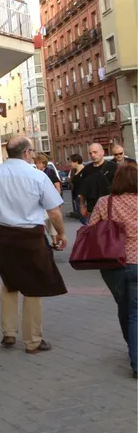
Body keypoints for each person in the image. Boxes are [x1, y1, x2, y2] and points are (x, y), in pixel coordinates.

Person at [0, 136, 68, 354]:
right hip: (31, 238)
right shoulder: (37, 176)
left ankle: (8, 332)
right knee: (33, 286)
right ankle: (33, 340)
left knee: (9, 282)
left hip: (3, 236)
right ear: (26, 153)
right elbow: (54, 211)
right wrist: (61, 233)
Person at [88, 162, 138, 378]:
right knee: (136, 312)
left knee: (124, 306)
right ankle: (136, 360)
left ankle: (132, 347)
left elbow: (91, 229)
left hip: (113, 265)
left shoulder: (104, 202)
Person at [78, 143, 118, 224]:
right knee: (95, 234)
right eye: (90, 153)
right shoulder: (86, 170)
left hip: (112, 208)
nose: (92, 155)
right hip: (92, 209)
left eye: (95, 152)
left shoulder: (114, 167)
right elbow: (83, 190)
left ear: (102, 152)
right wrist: (82, 206)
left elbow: (121, 187)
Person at [68, 153, 85, 218]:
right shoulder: (74, 171)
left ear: (76, 162)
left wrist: (81, 195)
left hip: (82, 199)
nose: (70, 164)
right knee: (81, 218)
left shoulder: (84, 171)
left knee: (84, 219)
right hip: (76, 198)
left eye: (71, 162)